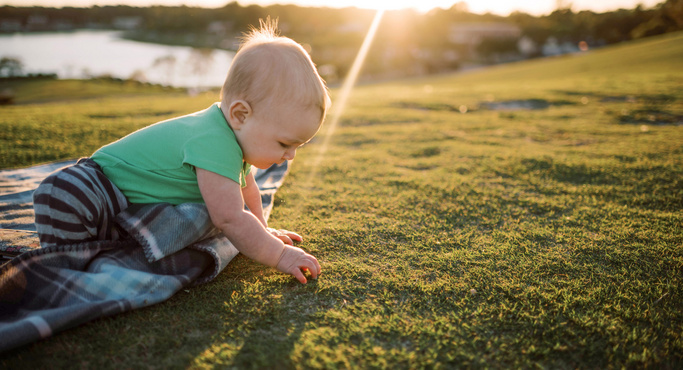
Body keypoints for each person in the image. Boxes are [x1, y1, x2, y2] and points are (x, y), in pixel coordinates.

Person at [32, 19, 330, 284]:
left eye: (297, 147)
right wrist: (279, 256)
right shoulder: (214, 140)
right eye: (284, 144)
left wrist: (262, 232)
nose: (290, 156)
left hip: (123, 205)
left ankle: (94, 247)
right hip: (98, 184)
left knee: (106, 235)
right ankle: (61, 266)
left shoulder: (234, 140)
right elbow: (230, 217)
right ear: (241, 115)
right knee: (62, 194)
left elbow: (247, 189)